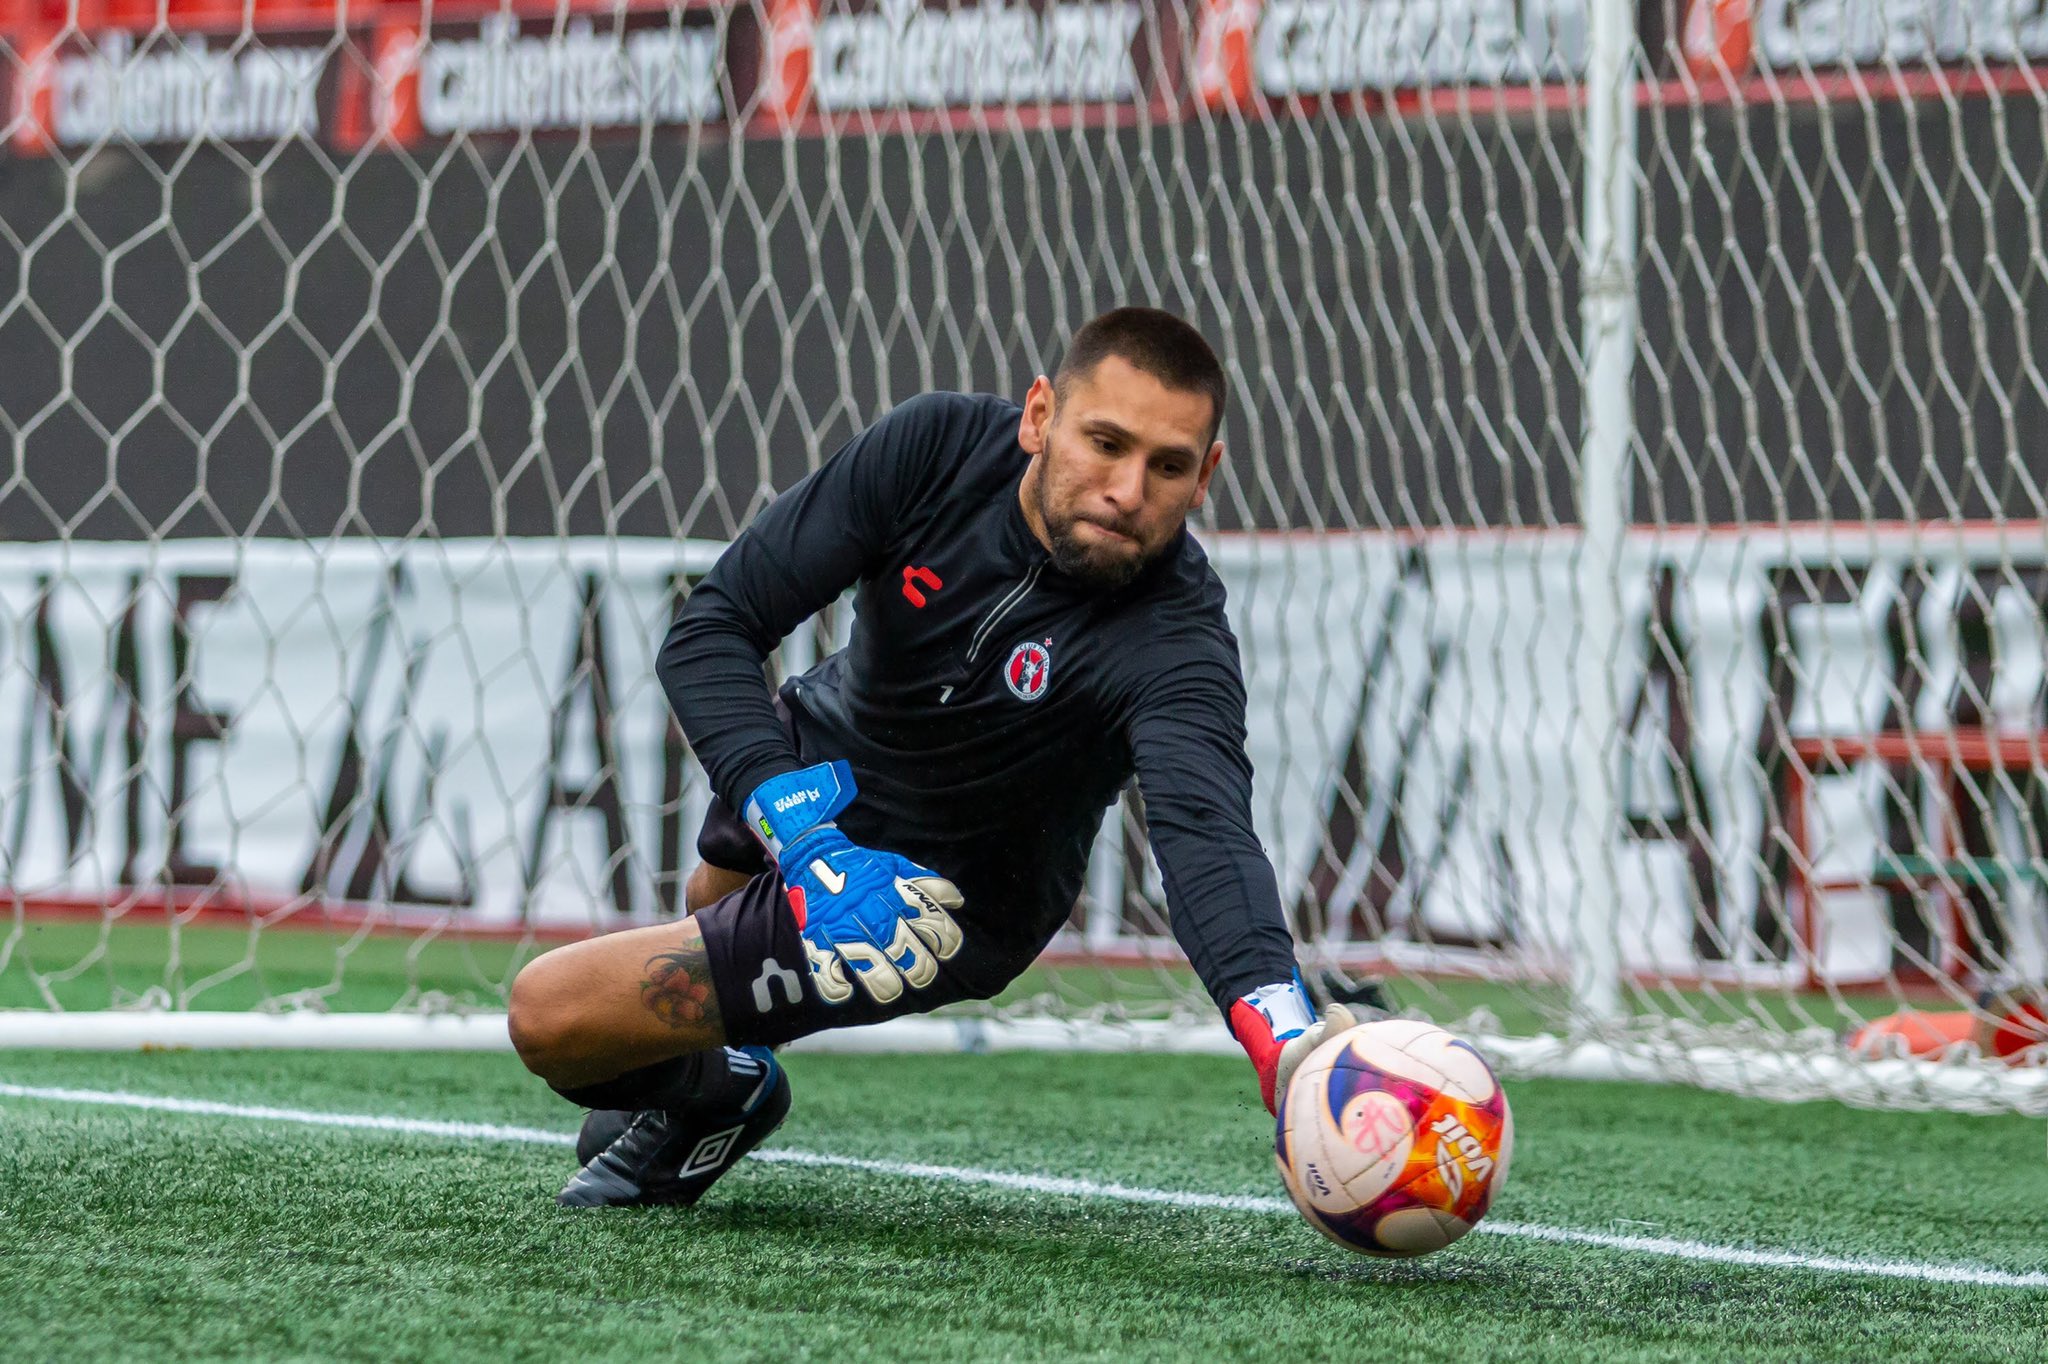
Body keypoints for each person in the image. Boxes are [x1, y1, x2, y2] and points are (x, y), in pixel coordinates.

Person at [506, 306, 1354, 1208]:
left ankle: (720, 1088)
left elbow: (1205, 836)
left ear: (1206, 474)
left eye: (1168, 465)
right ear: (1039, 417)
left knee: (552, 1018)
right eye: (1104, 442)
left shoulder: (1178, 640)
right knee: (706, 912)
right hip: (820, 768)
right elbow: (713, 629)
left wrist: (1283, 1039)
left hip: (936, 898)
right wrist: (805, 842)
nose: (1127, 490)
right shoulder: (935, 447)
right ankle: (713, 1091)